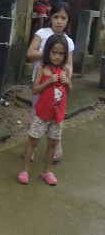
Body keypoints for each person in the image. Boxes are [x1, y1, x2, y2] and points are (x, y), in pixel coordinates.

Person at [18, 34, 70, 186]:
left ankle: (47, 171)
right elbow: (35, 90)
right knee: (33, 142)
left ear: (65, 55)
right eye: (54, 52)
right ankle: (25, 170)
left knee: (52, 144)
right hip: (42, 115)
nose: (57, 56)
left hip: (57, 116)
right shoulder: (42, 68)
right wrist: (48, 82)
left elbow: (69, 89)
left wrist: (67, 82)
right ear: (48, 52)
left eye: (61, 54)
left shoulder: (65, 69)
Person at [25, 4, 73, 163]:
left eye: (63, 18)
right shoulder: (42, 33)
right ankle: (31, 147)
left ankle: (56, 145)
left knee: (57, 115)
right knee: (37, 113)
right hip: (41, 80)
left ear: (68, 21)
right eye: (56, 17)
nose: (59, 21)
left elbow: (69, 65)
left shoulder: (68, 41)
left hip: (58, 85)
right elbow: (30, 53)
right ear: (50, 18)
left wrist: (67, 78)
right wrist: (47, 53)